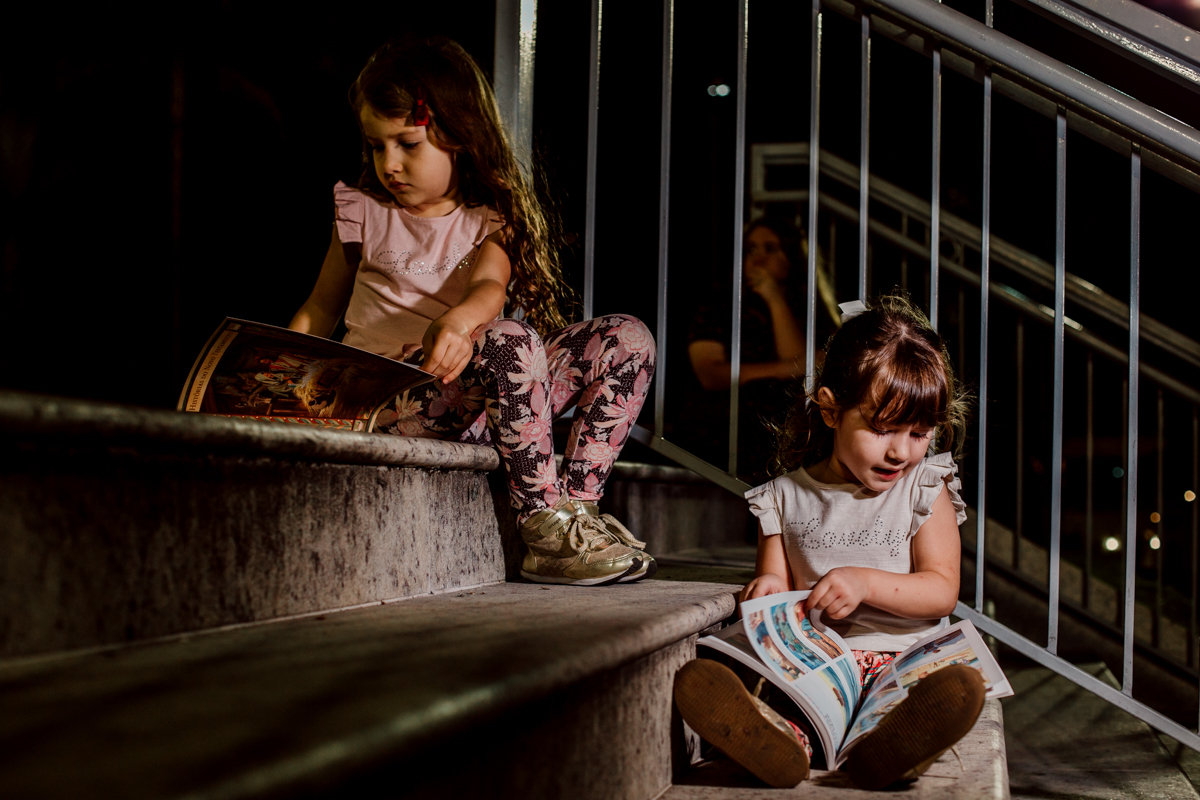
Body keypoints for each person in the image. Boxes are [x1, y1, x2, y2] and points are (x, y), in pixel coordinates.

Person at [289, 37, 657, 586]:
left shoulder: (490, 218)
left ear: (458, 137)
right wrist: (273, 378)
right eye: (376, 146)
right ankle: (541, 526)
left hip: (481, 401)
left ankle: (573, 516)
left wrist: (459, 321)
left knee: (625, 337)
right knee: (509, 338)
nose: (390, 164)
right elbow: (320, 308)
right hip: (391, 402)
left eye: (407, 144)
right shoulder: (362, 211)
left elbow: (489, 285)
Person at [673, 295, 984, 789]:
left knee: (903, 703)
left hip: (899, 660)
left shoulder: (925, 487)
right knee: (791, 697)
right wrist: (766, 591)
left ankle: (891, 749)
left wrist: (864, 582)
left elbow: (942, 589)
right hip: (818, 662)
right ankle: (779, 742)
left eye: (919, 433)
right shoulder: (782, 497)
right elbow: (773, 579)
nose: (901, 451)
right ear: (830, 409)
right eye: (883, 429)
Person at [683, 217, 838, 482]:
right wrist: (786, 369)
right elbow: (710, 374)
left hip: (789, 428)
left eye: (770, 248)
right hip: (727, 427)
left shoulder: (811, 310)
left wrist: (774, 298)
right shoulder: (720, 305)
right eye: (751, 249)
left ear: (793, 256)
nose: (758, 258)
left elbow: (801, 366)